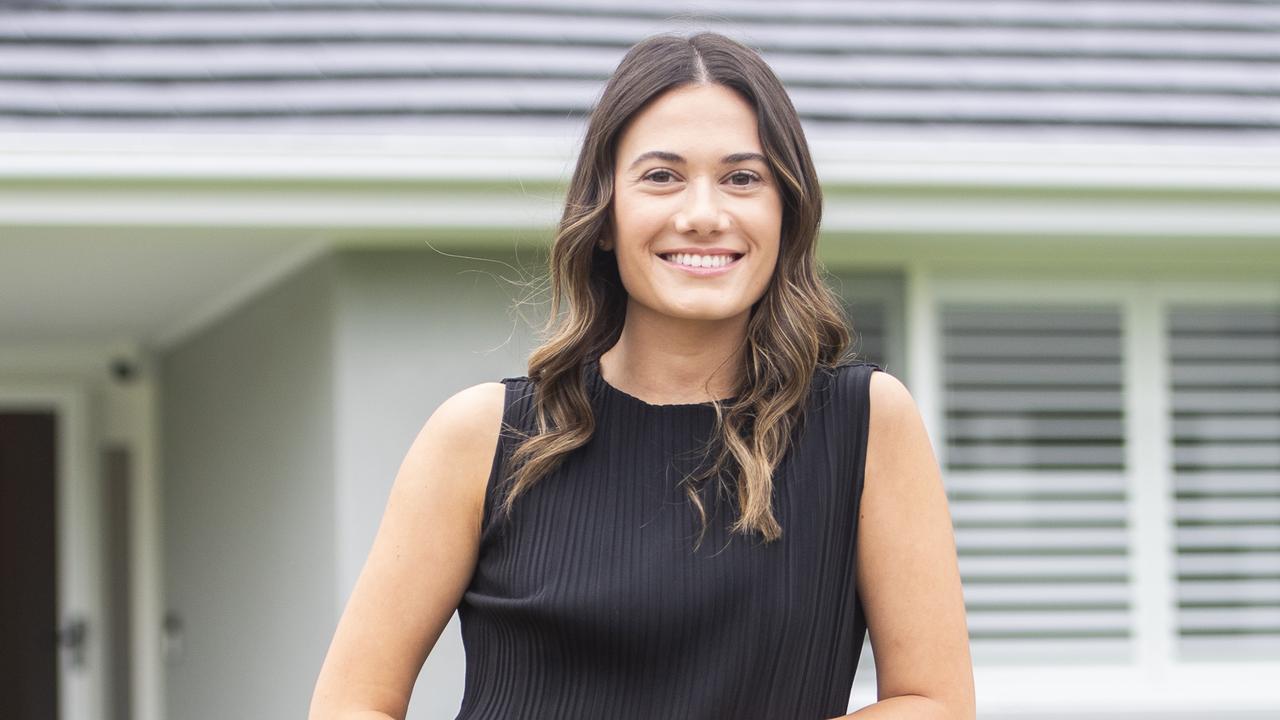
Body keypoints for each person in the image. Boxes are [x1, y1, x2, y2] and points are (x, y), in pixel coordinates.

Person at [309, 31, 974, 720]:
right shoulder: (481, 436)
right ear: (604, 215)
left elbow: (934, 703)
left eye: (743, 178)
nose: (703, 215)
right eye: (662, 176)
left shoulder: (865, 423)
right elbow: (351, 704)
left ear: (786, 212)